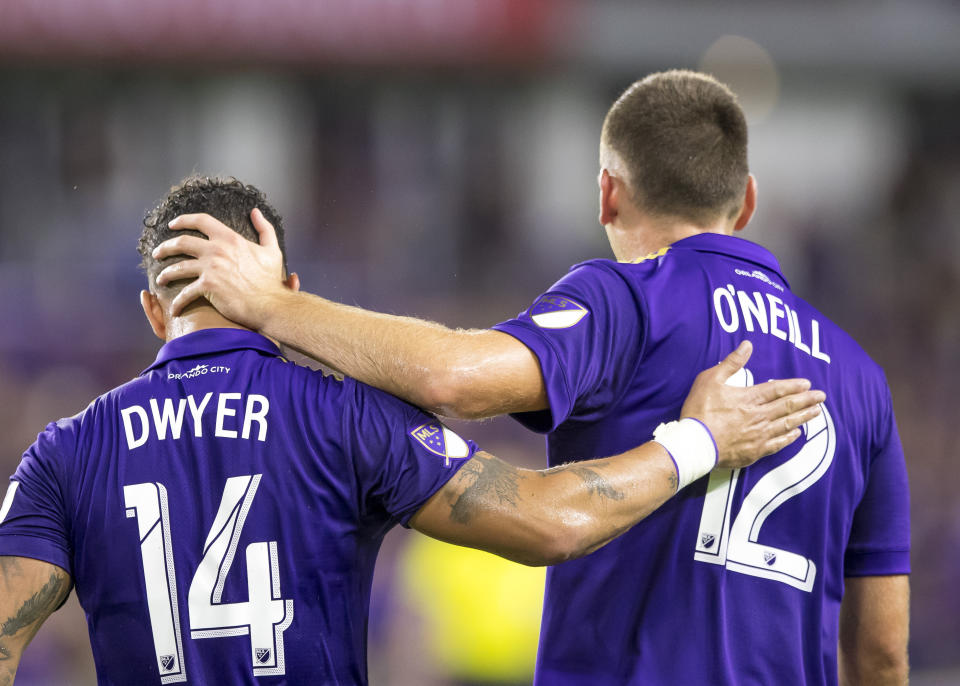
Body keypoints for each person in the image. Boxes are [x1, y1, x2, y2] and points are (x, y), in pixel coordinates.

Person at [155, 71, 911, 685]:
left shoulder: (628, 301)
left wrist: (271, 306)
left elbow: (455, 379)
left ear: (608, 193)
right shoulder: (861, 379)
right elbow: (880, 653)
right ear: (746, 202)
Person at [0, 176, 822, 686]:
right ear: (286, 285)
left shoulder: (63, 453)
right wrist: (698, 439)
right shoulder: (343, 416)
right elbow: (548, 519)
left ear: (153, 308)